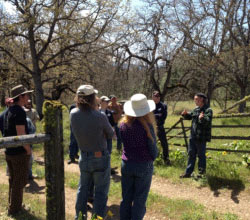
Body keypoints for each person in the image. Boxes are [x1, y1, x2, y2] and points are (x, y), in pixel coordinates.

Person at [70, 85, 114, 219]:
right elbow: (111, 134)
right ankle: (97, 218)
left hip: (84, 156)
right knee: (100, 192)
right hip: (100, 156)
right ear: (91, 98)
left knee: (82, 189)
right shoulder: (100, 116)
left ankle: (80, 217)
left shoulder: (73, 114)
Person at [119, 93, 158, 220]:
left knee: (126, 198)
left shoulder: (123, 125)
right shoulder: (147, 126)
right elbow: (153, 148)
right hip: (143, 164)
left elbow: (122, 144)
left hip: (127, 163)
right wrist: (153, 158)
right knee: (140, 200)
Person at [3, 84, 33, 216]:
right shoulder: (19, 111)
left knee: (13, 180)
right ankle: (15, 210)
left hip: (9, 151)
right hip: (19, 153)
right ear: (20, 97)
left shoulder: (7, 111)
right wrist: (28, 150)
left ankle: (13, 205)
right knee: (19, 182)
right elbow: (21, 135)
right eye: (26, 95)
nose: (28, 97)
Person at [180, 93, 213, 178]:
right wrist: (185, 114)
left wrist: (202, 118)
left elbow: (207, 120)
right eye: (195, 99)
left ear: (202, 99)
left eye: (196, 99)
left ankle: (201, 174)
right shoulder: (196, 109)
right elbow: (190, 116)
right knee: (191, 154)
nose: (195, 101)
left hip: (201, 137)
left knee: (201, 155)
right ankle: (188, 173)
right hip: (193, 136)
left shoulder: (208, 110)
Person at [152, 91, 170, 165]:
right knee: (150, 143)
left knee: (164, 143)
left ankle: (166, 159)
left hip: (159, 127)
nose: (156, 98)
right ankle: (151, 159)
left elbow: (163, 117)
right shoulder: (150, 106)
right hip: (151, 127)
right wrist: (156, 116)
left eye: (157, 97)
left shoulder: (163, 106)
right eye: (154, 97)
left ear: (159, 97)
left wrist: (154, 116)